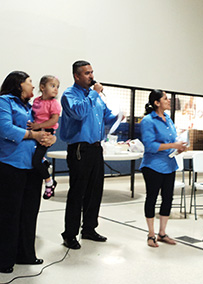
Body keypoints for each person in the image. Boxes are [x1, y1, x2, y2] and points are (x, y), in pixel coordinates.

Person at [0, 71, 56, 273]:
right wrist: (34, 134)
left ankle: (25, 254)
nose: (33, 86)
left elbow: (45, 129)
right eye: (30, 82)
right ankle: (5, 259)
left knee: (29, 213)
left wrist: (50, 138)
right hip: (11, 165)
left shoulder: (31, 107)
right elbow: (5, 128)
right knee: (9, 214)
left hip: (32, 167)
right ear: (18, 84)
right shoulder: (5, 102)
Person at [60, 60, 118, 250]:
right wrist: (94, 93)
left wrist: (117, 116)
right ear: (77, 76)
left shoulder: (97, 97)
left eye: (92, 72)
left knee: (95, 190)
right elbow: (78, 113)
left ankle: (89, 229)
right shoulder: (70, 95)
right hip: (79, 149)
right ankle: (69, 234)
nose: (91, 76)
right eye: (87, 73)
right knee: (78, 192)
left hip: (95, 148)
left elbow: (106, 117)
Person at [140, 90, 187, 247]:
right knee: (152, 198)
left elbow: (172, 140)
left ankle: (162, 232)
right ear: (156, 103)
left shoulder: (168, 119)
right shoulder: (148, 121)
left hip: (169, 164)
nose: (169, 101)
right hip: (153, 165)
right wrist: (174, 145)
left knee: (168, 198)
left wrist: (178, 148)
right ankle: (151, 234)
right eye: (165, 99)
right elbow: (150, 145)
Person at [27, 75, 61, 200]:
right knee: (35, 155)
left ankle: (49, 182)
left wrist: (38, 126)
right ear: (42, 87)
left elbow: (54, 119)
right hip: (36, 130)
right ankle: (44, 161)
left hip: (46, 133)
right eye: (52, 86)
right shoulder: (36, 101)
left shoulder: (54, 104)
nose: (56, 89)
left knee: (35, 161)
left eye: (57, 87)